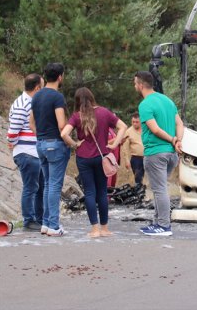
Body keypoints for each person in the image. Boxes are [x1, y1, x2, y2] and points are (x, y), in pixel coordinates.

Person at [61, 88, 127, 238]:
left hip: (84, 159)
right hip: (102, 156)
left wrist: (75, 144)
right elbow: (123, 127)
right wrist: (115, 143)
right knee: (102, 192)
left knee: (90, 192)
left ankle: (95, 229)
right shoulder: (104, 112)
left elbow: (64, 133)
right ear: (92, 97)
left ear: (77, 101)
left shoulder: (77, 116)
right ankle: (105, 229)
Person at [134, 71, 183, 236]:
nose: (135, 86)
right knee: (158, 188)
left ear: (140, 85)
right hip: (171, 154)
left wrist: (172, 139)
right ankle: (157, 223)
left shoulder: (145, 104)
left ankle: (164, 226)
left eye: (135, 84)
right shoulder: (167, 100)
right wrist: (178, 141)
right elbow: (180, 124)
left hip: (156, 152)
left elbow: (154, 129)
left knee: (160, 189)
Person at [30, 63, 70, 236]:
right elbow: (62, 124)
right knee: (54, 185)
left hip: (40, 143)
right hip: (55, 144)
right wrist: (70, 138)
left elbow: (31, 122)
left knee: (47, 184)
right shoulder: (57, 97)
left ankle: (46, 223)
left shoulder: (36, 96)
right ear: (60, 76)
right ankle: (54, 225)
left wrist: (41, 135)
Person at [7, 74, 45, 231]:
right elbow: (13, 130)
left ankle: (39, 218)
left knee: (40, 187)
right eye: (42, 87)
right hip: (26, 152)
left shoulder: (32, 103)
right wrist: (14, 144)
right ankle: (29, 220)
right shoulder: (22, 104)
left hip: (35, 152)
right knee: (31, 187)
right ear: (37, 88)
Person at [121, 112, 145, 185]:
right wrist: (127, 160)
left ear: (141, 121)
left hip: (148, 157)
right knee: (138, 178)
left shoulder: (146, 129)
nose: (134, 124)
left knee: (153, 177)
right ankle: (139, 194)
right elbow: (125, 148)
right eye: (133, 122)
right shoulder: (128, 132)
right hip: (136, 159)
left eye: (137, 122)